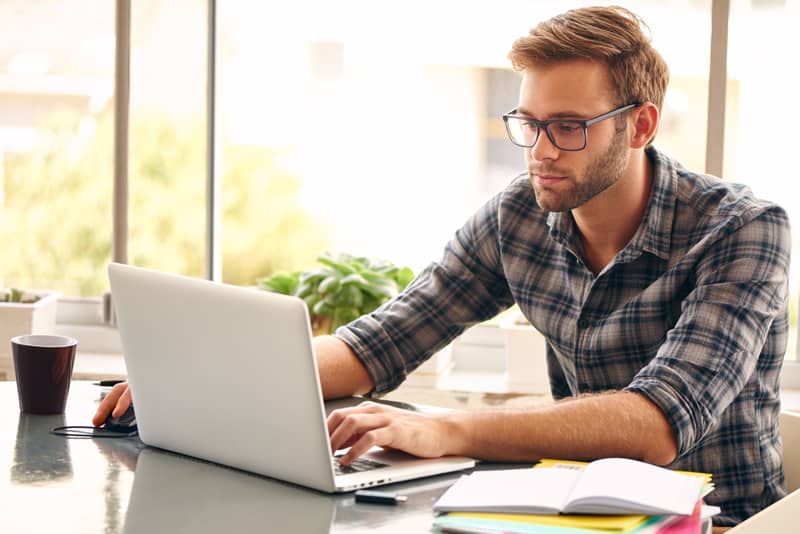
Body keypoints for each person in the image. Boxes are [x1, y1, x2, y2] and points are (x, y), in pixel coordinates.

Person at [94, 6, 790, 527]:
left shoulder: (743, 231)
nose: (540, 151)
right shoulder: (518, 215)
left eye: (569, 127)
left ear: (639, 126)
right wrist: (199, 383)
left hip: (720, 519)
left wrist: (445, 427)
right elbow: (381, 341)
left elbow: (656, 425)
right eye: (528, 123)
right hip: (574, 511)